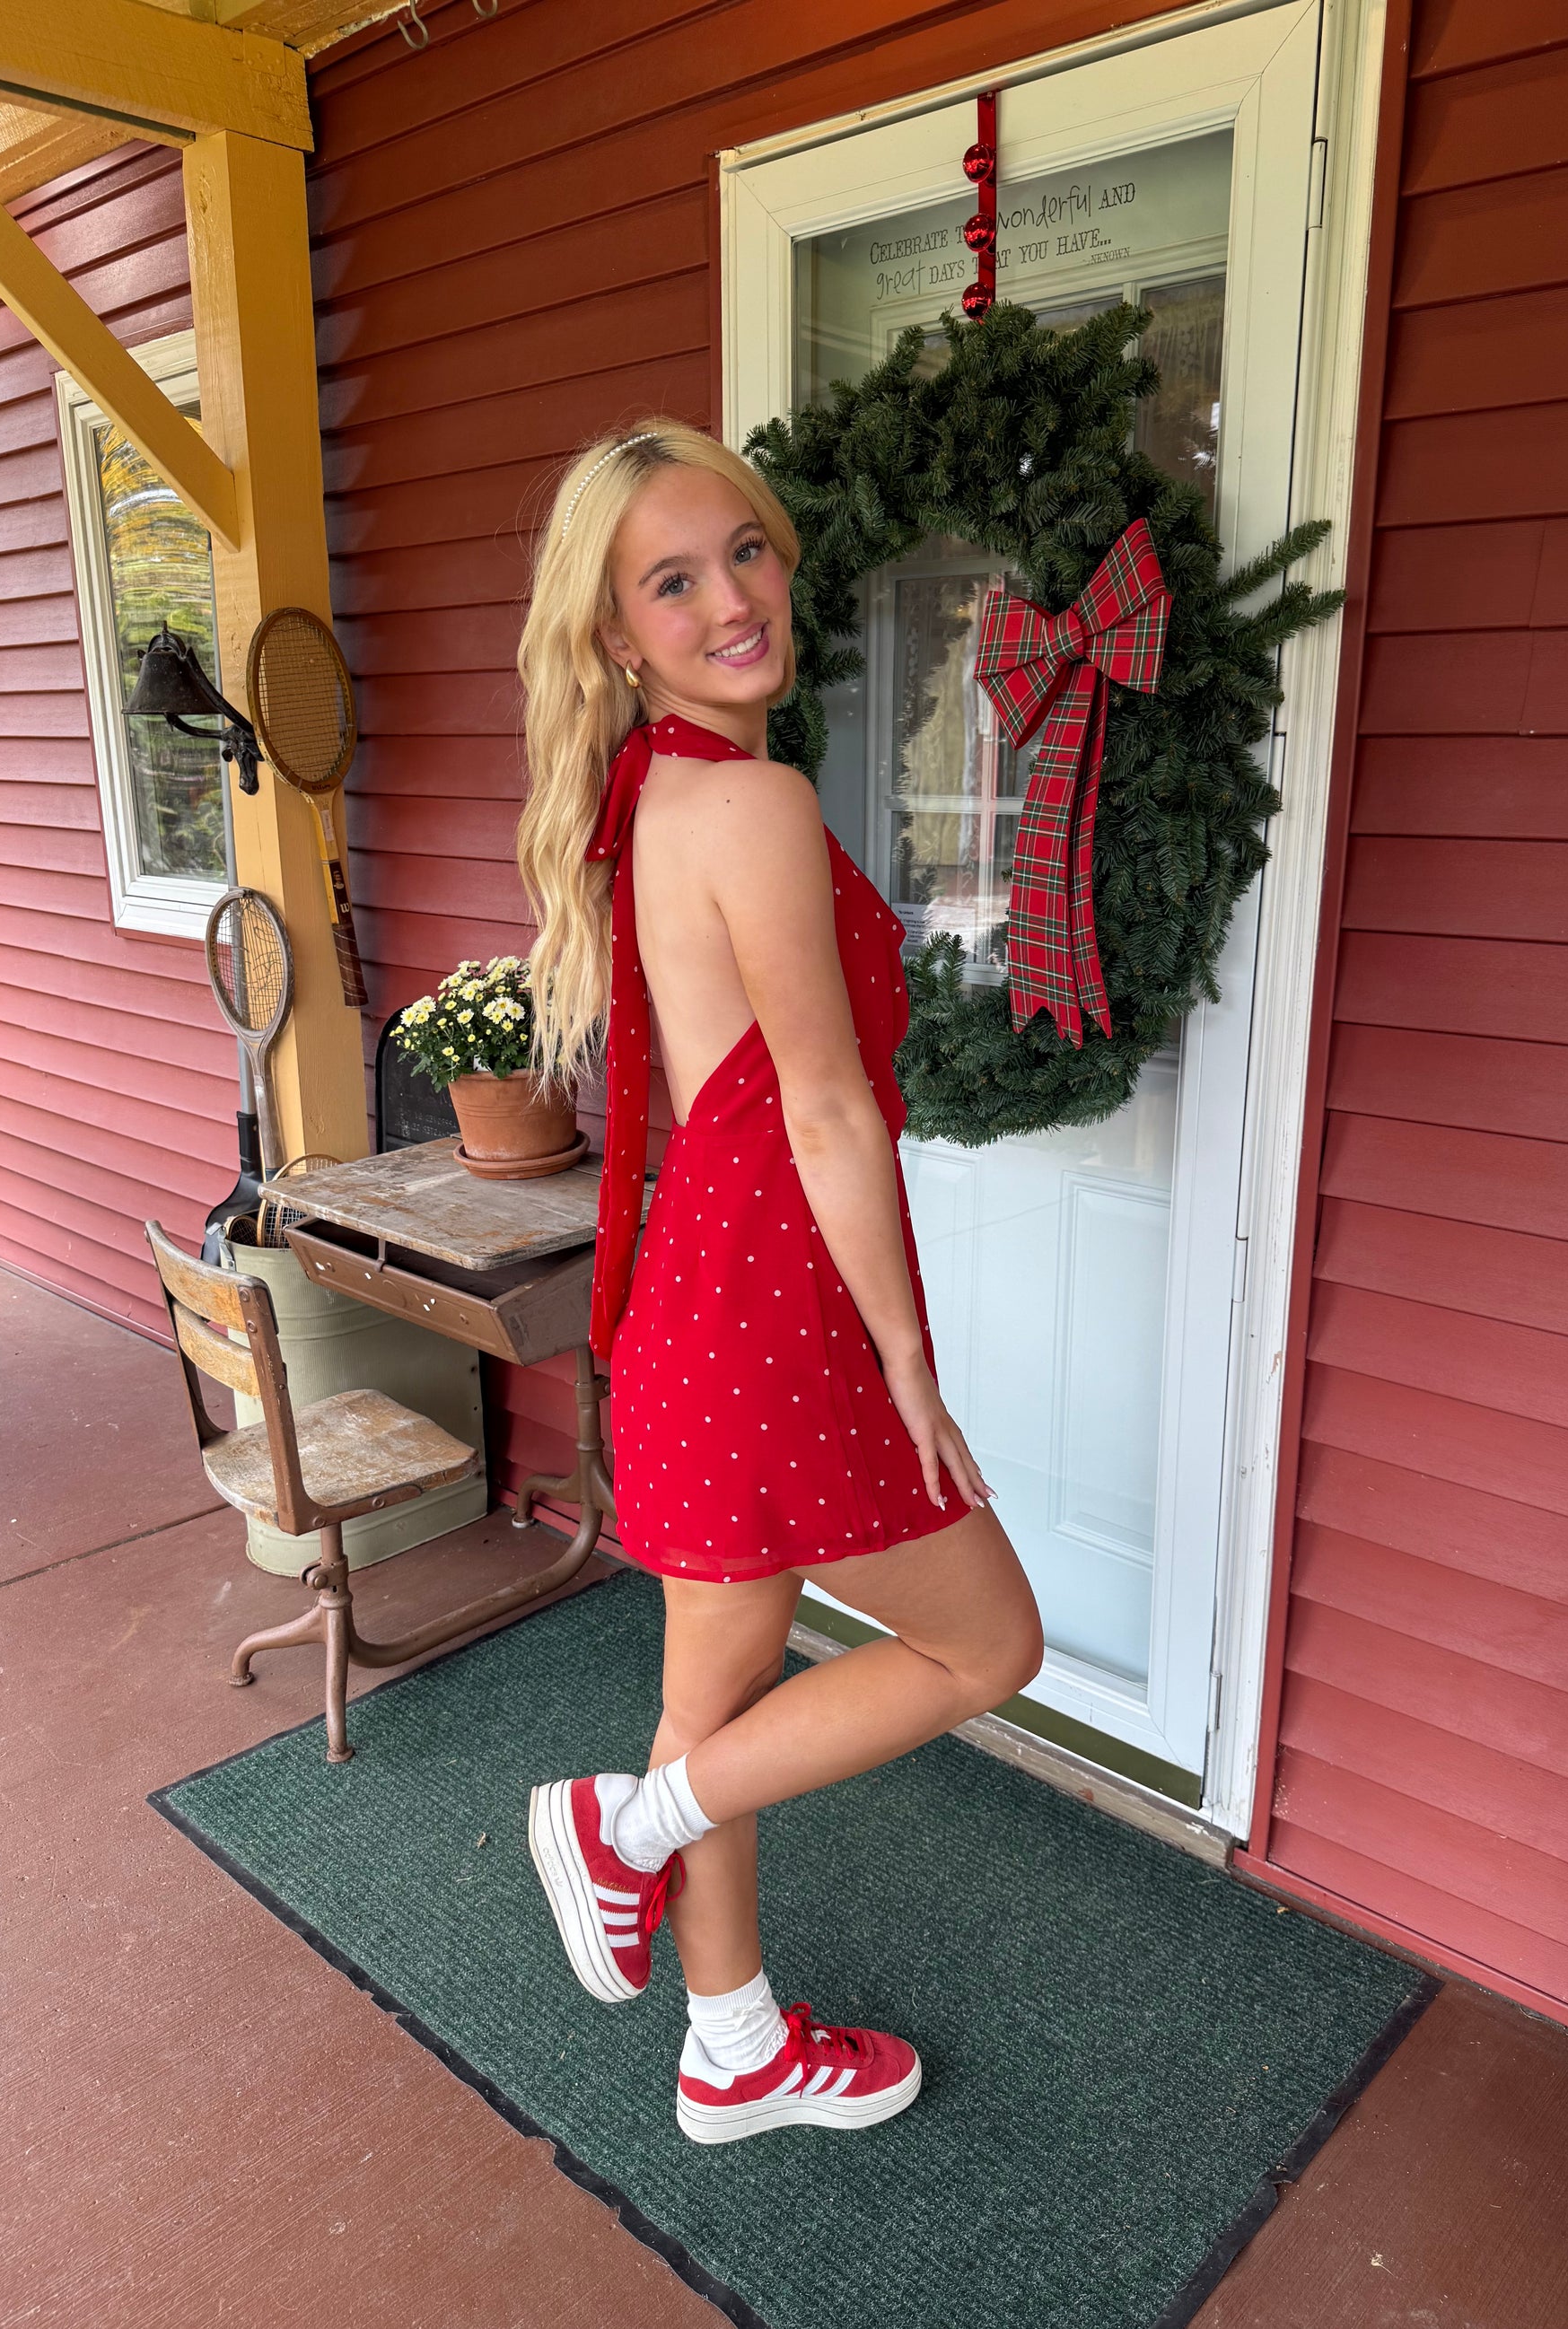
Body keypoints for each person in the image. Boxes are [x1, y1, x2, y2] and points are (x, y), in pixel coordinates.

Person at [515, 418, 1044, 2146]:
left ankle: (731, 2045)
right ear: (616, 634)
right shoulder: (749, 800)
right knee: (987, 1644)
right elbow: (819, 1107)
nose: (731, 599)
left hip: (701, 1297)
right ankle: (624, 1831)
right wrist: (907, 1360)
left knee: (710, 1703)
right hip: (770, 1309)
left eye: (742, 550)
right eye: (671, 582)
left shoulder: (658, 795)